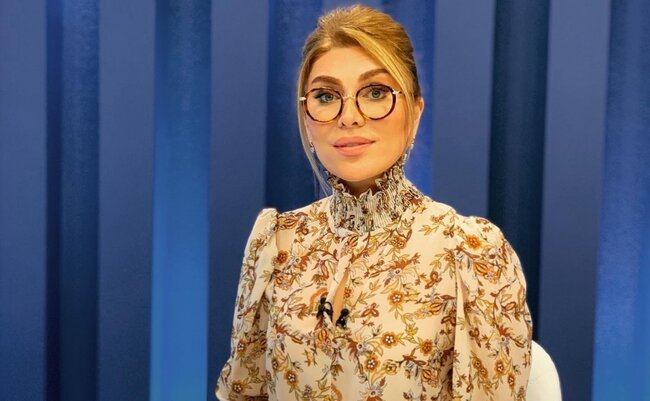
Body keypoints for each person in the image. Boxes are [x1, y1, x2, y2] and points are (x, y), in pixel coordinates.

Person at [216, 5, 532, 401]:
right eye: (326, 96)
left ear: (415, 112)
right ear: (307, 119)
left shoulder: (470, 253)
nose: (349, 117)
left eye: (376, 93)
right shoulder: (275, 243)